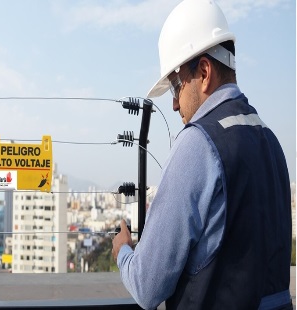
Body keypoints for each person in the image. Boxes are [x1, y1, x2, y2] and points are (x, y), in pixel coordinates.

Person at [111, 0, 292, 309]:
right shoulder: (269, 140)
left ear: (204, 72)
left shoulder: (198, 144)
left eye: (175, 86)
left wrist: (123, 252)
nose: (174, 104)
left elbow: (147, 286)